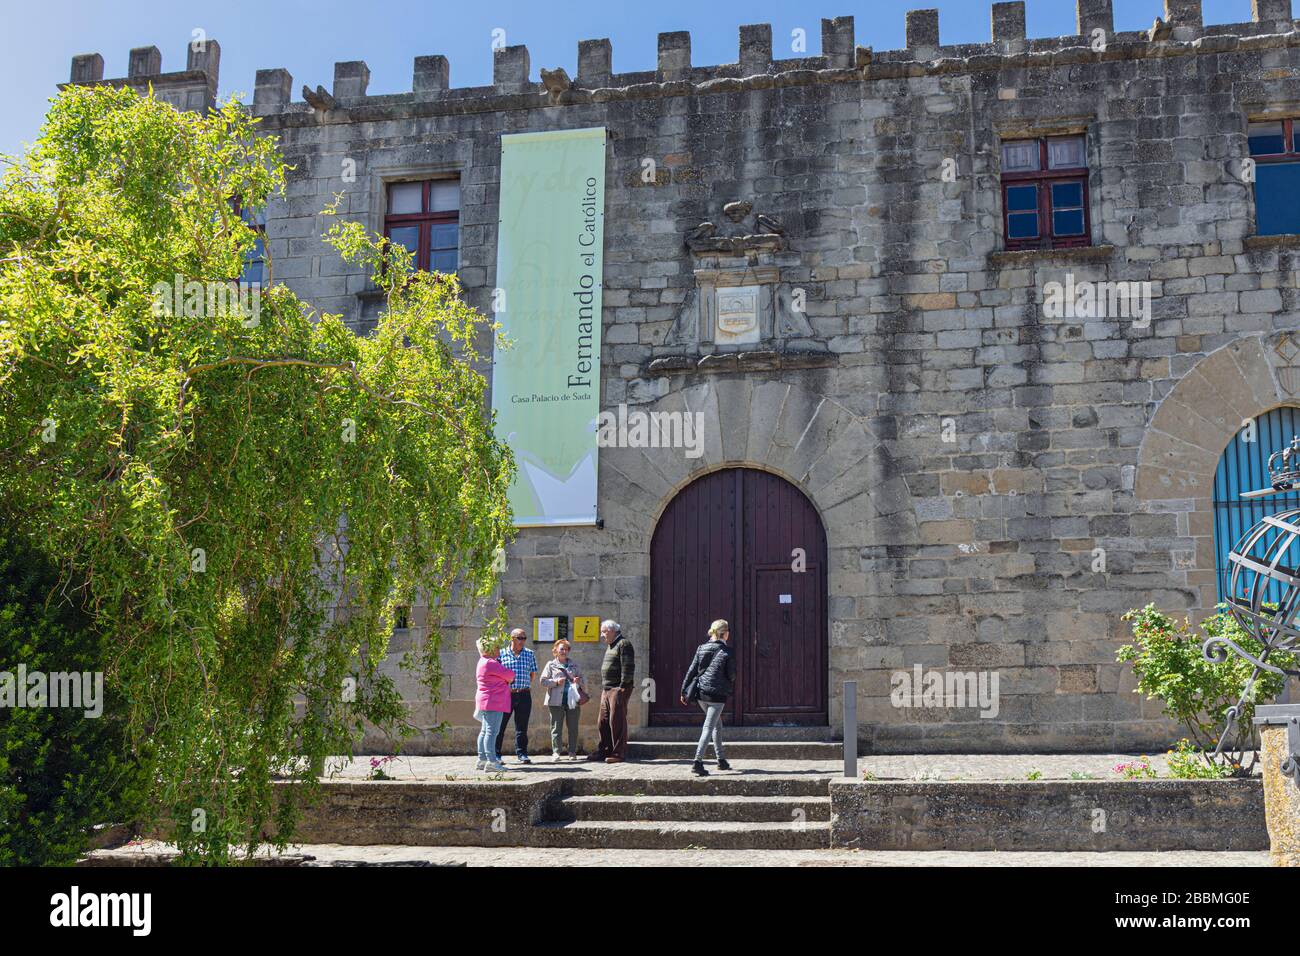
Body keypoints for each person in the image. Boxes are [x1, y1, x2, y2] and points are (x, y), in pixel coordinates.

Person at [679, 619, 736, 776]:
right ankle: (697, 762)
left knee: (717, 725)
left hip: (701, 694)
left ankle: (721, 760)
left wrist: (683, 691)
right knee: (708, 727)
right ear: (725, 634)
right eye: (728, 632)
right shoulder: (727, 652)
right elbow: (732, 675)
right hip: (717, 696)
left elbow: (691, 671)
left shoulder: (701, 648)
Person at [588, 619, 635, 763]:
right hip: (607, 689)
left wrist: (622, 687)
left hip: (617, 689)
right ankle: (604, 750)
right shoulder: (611, 645)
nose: (602, 635)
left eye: (604, 632)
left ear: (612, 631)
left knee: (617, 721)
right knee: (602, 721)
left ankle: (618, 753)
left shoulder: (623, 644)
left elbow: (628, 666)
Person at [496, 627, 538, 763]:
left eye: (524, 638)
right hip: (507, 695)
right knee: (500, 726)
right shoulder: (501, 654)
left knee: (522, 727)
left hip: (524, 694)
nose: (522, 641)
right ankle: (496, 755)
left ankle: (522, 753)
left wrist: (522, 686)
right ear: (512, 638)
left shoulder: (529, 654)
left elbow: (532, 674)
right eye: (520, 638)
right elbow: (497, 674)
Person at [539, 639, 585, 760]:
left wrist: (578, 681)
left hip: (572, 701)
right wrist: (556, 682)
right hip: (555, 701)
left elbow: (583, 680)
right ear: (555, 650)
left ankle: (572, 752)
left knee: (573, 728)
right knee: (556, 728)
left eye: (566, 649)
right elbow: (543, 681)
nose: (564, 651)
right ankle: (556, 752)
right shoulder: (550, 665)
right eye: (561, 649)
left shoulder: (574, 665)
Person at [474, 637, 513, 772]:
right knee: (492, 732)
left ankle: (482, 760)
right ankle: (491, 761)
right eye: (496, 647)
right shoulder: (491, 663)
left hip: (486, 700)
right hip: (494, 701)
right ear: (489, 649)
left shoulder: (482, 661)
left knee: (485, 731)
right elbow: (510, 675)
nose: (499, 649)